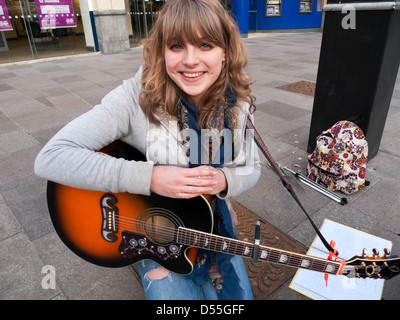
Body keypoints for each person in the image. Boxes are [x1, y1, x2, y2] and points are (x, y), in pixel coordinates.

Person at [34, 0, 260, 300]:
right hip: (158, 233)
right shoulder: (134, 98)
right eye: (177, 46)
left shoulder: (238, 103)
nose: (191, 60)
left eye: (206, 45)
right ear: (161, 50)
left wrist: (226, 181)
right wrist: (148, 177)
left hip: (215, 226)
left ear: (226, 52)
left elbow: (251, 167)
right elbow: (51, 157)